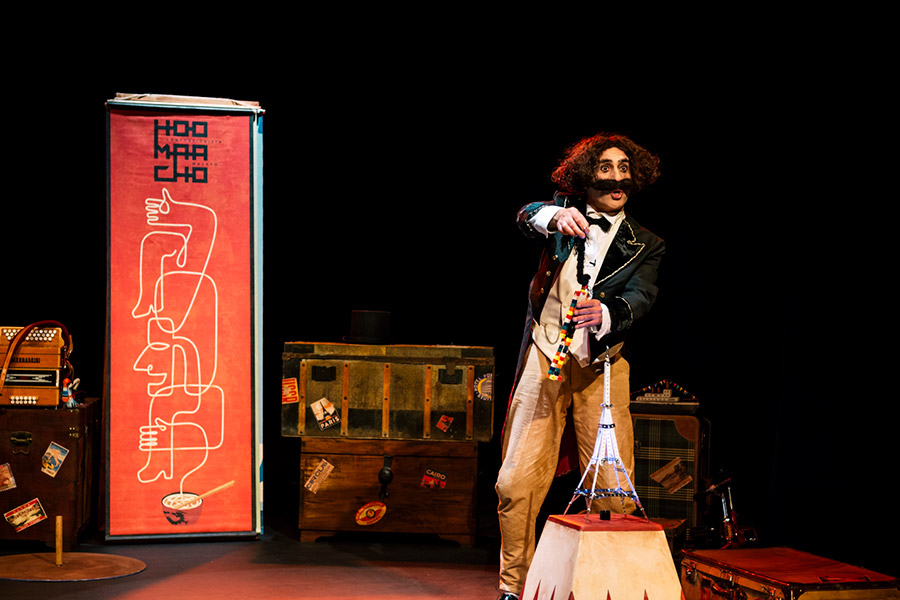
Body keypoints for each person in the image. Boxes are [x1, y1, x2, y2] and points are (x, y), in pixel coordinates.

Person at [495, 133, 664, 600]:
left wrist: (607, 314)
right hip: (545, 356)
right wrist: (551, 215)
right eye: (606, 167)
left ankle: (608, 587)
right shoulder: (562, 215)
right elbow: (526, 214)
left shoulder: (646, 244)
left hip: (602, 366)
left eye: (624, 168)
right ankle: (514, 586)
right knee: (516, 482)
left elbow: (641, 297)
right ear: (586, 176)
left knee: (612, 487)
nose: (617, 178)